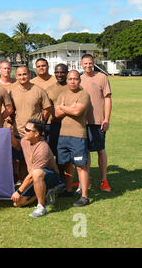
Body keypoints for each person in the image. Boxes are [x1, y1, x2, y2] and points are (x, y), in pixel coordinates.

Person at [55, 70, 91, 207]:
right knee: (66, 164)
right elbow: (57, 114)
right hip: (63, 135)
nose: (72, 81)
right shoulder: (62, 94)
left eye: (75, 79)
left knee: (81, 166)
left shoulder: (84, 95)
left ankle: (84, 196)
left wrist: (63, 107)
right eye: (70, 79)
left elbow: (77, 112)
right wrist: (69, 107)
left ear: (79, 80)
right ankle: (69, 190)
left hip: (78, 136)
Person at [9, 66, 52, 183]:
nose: (22, 77)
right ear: (16, 77)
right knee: (21, 160)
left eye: (24, 74)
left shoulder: (39, 90)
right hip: (20, 132)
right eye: (20, 75)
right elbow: (11, 110)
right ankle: (25, 184)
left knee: (37, 162)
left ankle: (40, 184)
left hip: (35, 135)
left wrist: (39, 124)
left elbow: (47, 108)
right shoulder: (13, 92)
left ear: (29, 75)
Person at [10, 119, 60, 218]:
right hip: (35, 178)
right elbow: (17, 145)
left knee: (37, 173)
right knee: (17, 203)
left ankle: (41, 207)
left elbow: (32, 175)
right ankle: (45, 193)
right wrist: (11, 133)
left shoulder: (43, 148)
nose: (25, 131)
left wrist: (18, 191)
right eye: (25, 128)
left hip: (50, 177)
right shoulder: (25, 140)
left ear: (36, 134)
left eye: (28, 130)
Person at [80, 54, 112, 192]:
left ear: (94, 63)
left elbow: (108, 99)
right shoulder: (78, 78)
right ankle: (86, 181)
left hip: (98, 121)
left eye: (90, 63)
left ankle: (104, 180)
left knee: (100, 150)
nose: (88, 66)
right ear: (81, 64)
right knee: (85, 151)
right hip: (81, 122)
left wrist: (107, 119)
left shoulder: (102, 77)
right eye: (85, 63)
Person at [45, 64, 69, 183]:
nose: (60, 75)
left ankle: (64, 180)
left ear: (67, 72)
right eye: (57, 72)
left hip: (69, 126)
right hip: (53, 125)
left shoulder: (72, 87)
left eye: (62, 72)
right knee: (52, 153)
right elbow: (46, 108)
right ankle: (54, 179)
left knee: (64, 155)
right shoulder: (49, 89)